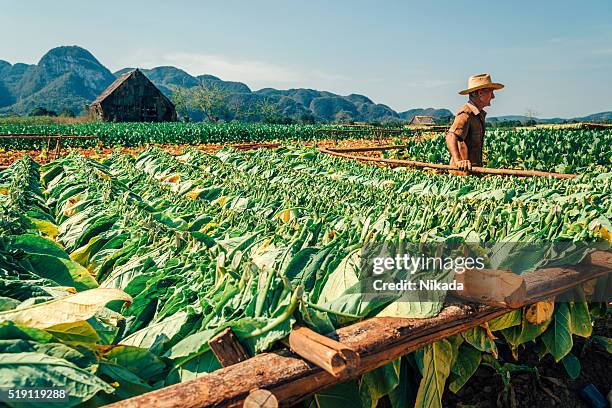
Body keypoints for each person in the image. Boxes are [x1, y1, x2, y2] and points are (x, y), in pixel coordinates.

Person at [445, 73, 504, 175]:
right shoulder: (466, 113)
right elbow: (450, 136)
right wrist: (459, 161)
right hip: (461, 174)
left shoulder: (478, 114)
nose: (493, 96)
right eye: (491, 92)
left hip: (473, 171)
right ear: (480, 93)